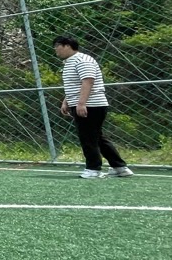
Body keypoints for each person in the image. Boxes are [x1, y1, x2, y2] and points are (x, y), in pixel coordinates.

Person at [54, 36, 133, 179]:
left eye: (57, 46)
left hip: (92, 105)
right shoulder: (70, 62)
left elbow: (88, 81)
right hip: (85, 104)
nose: (55, 50)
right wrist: (66, 101)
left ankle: (93, 169)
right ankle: (119, 167)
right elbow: (75, 85)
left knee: (88, 138)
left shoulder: (82, 60)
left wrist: (82, 103)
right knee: (97, 138)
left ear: (67, 46)